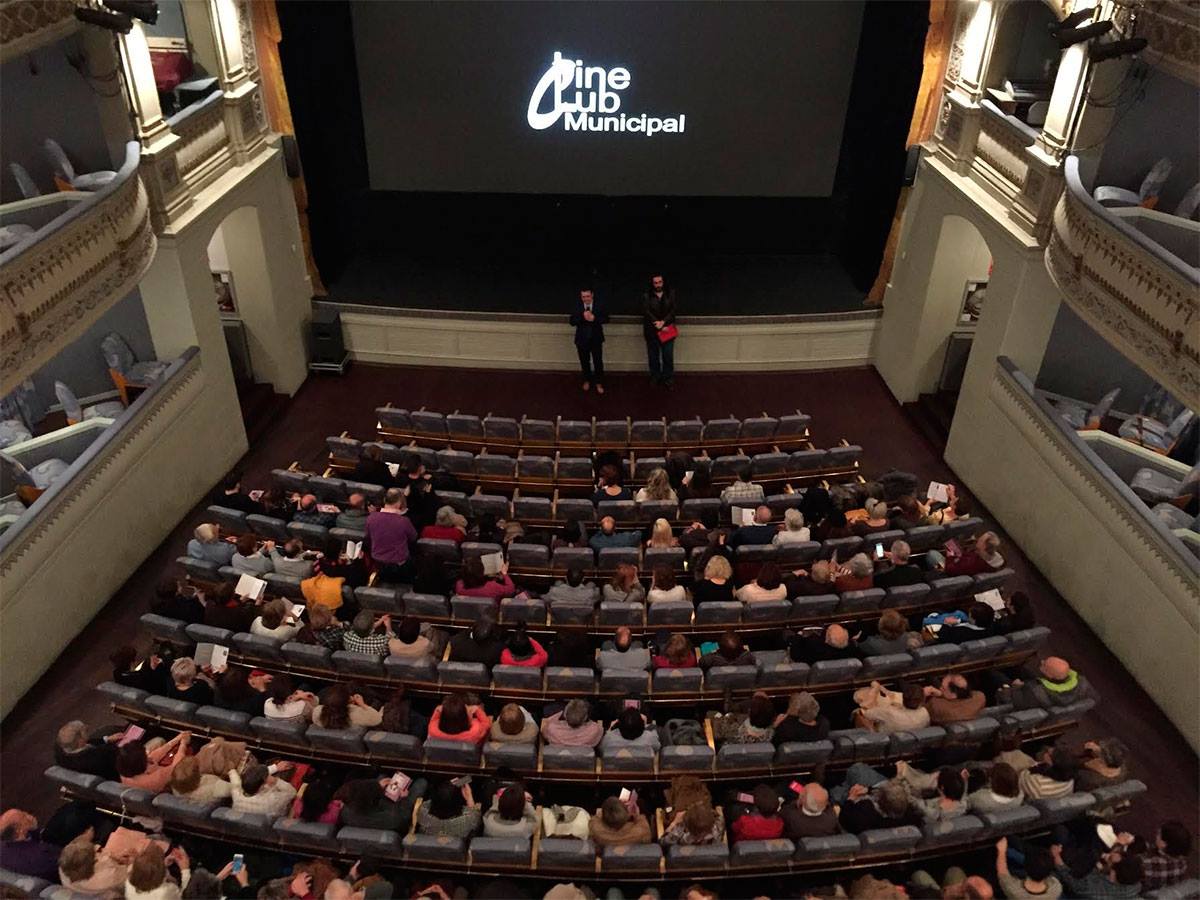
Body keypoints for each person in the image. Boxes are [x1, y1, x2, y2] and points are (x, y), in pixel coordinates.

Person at [1051, 843, 1142, 899]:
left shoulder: (1094, 890)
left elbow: (1071, 880)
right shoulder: (1135, 884)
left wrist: (1056, 856)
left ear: (1113, 874)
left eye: (1110, 860)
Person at [364, 488, 418, 583]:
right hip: (399, 564)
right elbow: (413, 538)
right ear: (399, 502)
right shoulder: (403, 521)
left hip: (378, 562)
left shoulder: (371, 518)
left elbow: (368, 538)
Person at [1007, 656, 1097, 710]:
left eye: (1044, 665)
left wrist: (1015, 688)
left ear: (1049, 676)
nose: (1041, 661)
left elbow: (1015, 702)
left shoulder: (1036, 692)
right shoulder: (1083, 684)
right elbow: (1094, 699)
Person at [838, 779, 922, 834]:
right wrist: (868, 790)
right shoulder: (912, 818)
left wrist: (851, 797)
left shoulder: (866, 812)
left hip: (849, 820)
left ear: (879, 799)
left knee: (838, 792)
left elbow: (843, 818)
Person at [0, 809, 62, 881]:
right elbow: (66, 860)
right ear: (19, 830)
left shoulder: (4, 848)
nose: (29, 815)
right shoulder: (41, 854)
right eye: (24, 816)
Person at [117, 734, 191, 793]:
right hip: (166, 784)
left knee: (158, 741)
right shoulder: (157, 778)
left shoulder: (125, 769)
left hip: (148, 777)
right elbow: (176, 765)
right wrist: (183, 743)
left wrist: (177, 739)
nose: (148, 756)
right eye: (145, 755)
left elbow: (152, 757)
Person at [994, 838, 1061, 900]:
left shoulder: (1015, 890)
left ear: (1025, 866)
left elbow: (1002, 872)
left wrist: (1001, 851)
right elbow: (1002, 872)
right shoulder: (1056, 887)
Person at [642, 273, 677, 388]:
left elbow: (673, 310)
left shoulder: (671, 293)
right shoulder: (647, 295)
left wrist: (663, 323)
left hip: (667, 329)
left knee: (668, 356)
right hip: (652, 331)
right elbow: (646, 311)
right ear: (652, 284)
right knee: (653, 357)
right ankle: (655, 377)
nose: (658, 285)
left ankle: (668, 378)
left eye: (660, 282)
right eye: (655, 283)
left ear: (663, 282)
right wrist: (657, 323)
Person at [571, 287, 608, 393]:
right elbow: (572, 321)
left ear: (592, 295)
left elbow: (606, 319)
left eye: (587, 296)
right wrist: (582, 317)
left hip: (596, 339)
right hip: (581, 339)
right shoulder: (577, 306)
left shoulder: (599, 305)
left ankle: (599, 382)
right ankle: (586, 380)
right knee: (584, 362)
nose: (585, 299)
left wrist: (594, 319)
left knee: (598, 362)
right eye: (583, 297)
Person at [55, 720, 120, 779]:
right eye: (85, 731)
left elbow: (86, 743)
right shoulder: (99, 757)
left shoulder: (60, 751)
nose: (87, 727)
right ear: (80, 741)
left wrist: (105, 739)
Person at [858, 682, 930, 734]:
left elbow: (867, 714)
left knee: (858, 712)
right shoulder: (925, 713)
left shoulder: (888, 712)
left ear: (903, 698)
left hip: (883, 738)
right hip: (908, 743)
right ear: (922, 701)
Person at [125, 844, 190, 900]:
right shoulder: (166, 891)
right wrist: (185, 870)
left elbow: (146, 873)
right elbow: (184, 896)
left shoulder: (128, 883)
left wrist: (162, 865)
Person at [418, 781, 482, 838]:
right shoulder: (469, 820)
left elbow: (427, 803)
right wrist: (469, 798)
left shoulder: (423, 814)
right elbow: (476, 817)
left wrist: (443, 791)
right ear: (459, 801)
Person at [1141, 821, 1191, 892]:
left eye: (1158, 834)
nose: (1156, 836)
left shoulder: (1149, 864)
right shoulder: (1183, 862)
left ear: (1164, 844)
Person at [312, 683, 382, 729]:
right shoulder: (357, 715)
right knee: (377, 702)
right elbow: (378, 719)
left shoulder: (317, 712)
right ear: (347, 702)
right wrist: (362, 704)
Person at [169, 755, 233, 804]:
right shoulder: (215, 787)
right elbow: (236, 789)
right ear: (197, 776)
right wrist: (231, 770)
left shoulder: (176, 789)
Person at [789, 623, 859, 665]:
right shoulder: (851, 649)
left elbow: (795, 655)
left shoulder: (814, 644)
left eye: (827, 631)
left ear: (827, 639)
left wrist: (798, 636)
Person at [940, 531, 1005, 576]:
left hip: (951, 571)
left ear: (984, 546)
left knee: (932, 554)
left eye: (981, 540)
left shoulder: (974, 562)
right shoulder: (992, 560)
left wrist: (950, 557)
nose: (978, 539)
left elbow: (950, 570)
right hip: (959, 561)